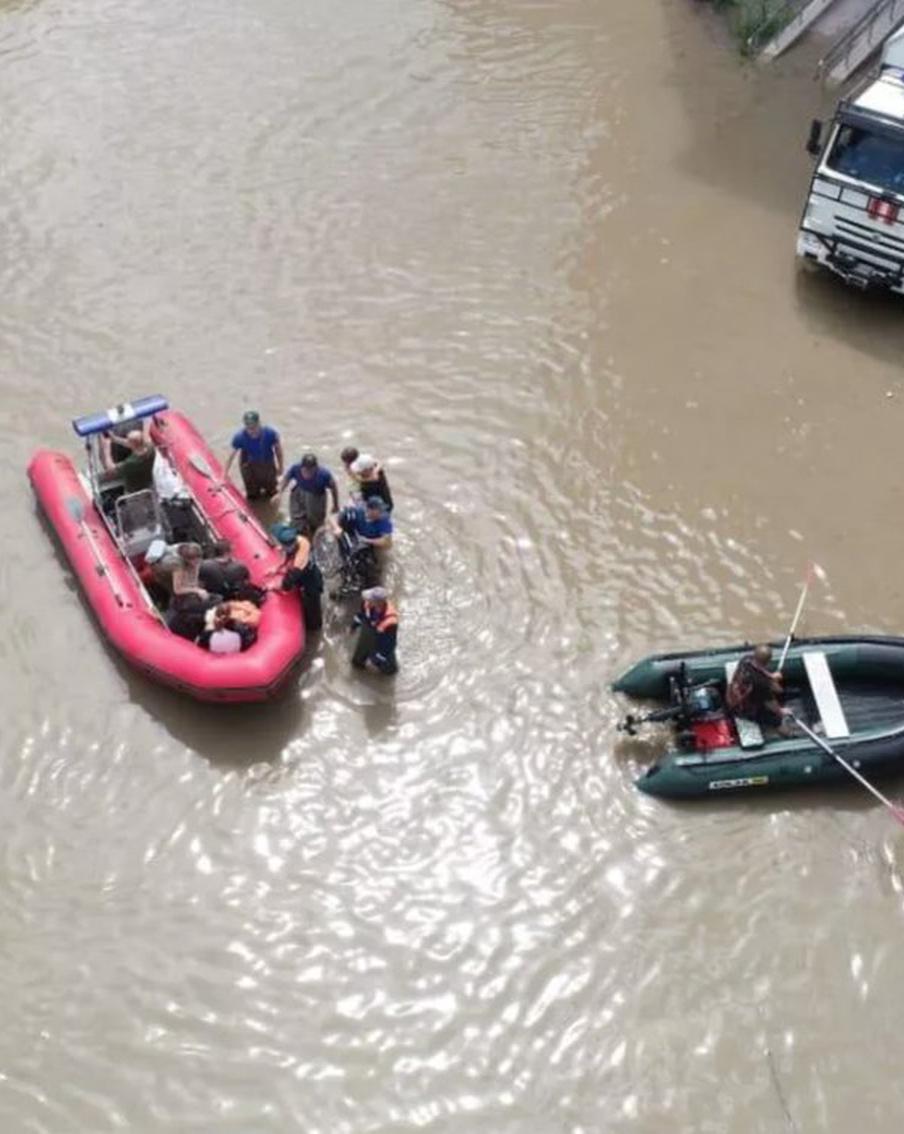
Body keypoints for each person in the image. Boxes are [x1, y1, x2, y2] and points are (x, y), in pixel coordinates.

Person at [726, 644, 791, 732]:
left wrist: (771, 676)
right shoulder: (761, 683)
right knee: (776, 719)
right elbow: (771, 704)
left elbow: (760, 670)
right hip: (742, 709)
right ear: (768, 661)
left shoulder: (746, 659)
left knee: (777, 689)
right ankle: (786, 733)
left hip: (733, 693)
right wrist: (781, 712)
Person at [273, 524, 324, 631]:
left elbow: (287, 583)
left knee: (313, 609)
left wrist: (275, 586)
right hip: (307, 576)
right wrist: (277, 568)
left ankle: (315, 627)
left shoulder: (299, 561)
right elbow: (287, 556)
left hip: (311, 584)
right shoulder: (300, 540)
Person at [224, 411, 283, 500]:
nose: (251, 430)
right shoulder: (239, 437)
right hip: (249, 466)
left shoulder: (270, 433)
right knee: (253, 495)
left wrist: (281, 467)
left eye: (254, 427)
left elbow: (278, 451)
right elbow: (230, 457)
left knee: (272, 492)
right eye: (248, 427)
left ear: (259, 423)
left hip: (267, 464)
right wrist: (224, 476)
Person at [277, 453, 339, 537]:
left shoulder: (324, 475)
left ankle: (315, 535)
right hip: (299, 493)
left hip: (316, 496)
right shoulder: (295, 468)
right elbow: (287, 478)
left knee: (316, 523)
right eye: (305, 470)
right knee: (297, 519)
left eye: (311, 470)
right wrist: (279, 493)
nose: (308, 473)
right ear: (302, 467)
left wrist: (335, 504)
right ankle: (299, 532)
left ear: (316, 468)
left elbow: (333, 488)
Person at [351, 586, 399, 674]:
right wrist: (354, 625)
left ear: (378, 603)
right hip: (368, 632)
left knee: (389, 670)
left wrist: (378, 658)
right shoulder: (366, 604)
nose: (367, 599)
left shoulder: (391, 621)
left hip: (383, 639)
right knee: (357, 662)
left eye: (370, 599)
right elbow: (361, 615)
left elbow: (390, 643)